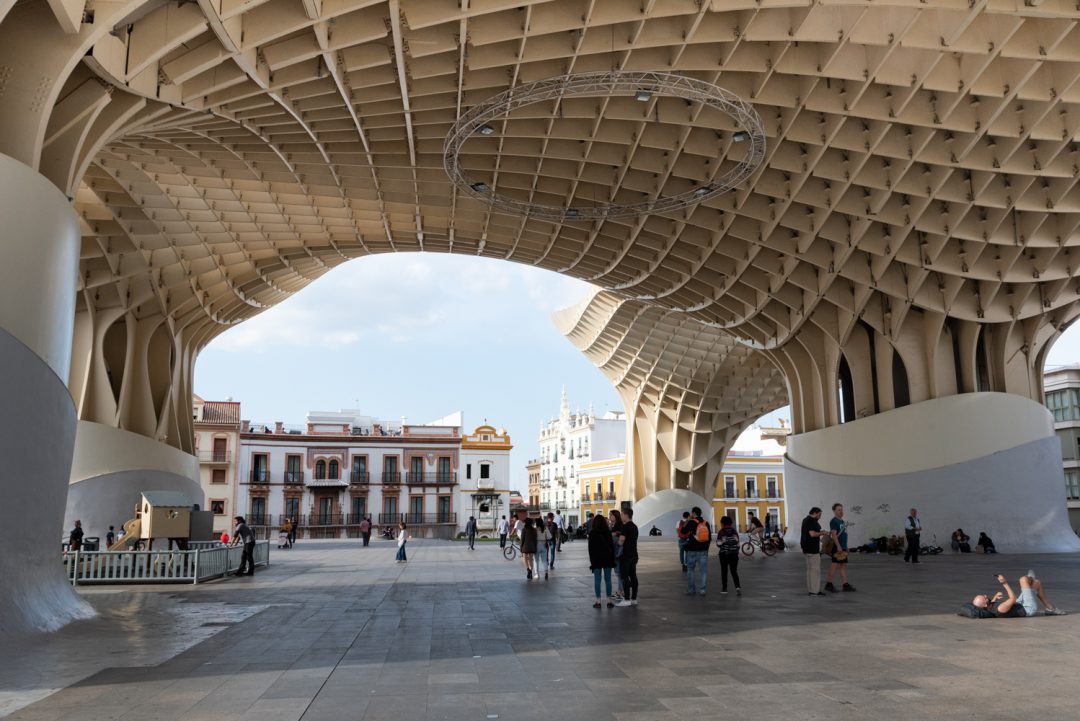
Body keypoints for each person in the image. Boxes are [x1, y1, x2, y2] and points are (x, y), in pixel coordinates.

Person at [963, 571, 1066, 618]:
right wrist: (1004, 583)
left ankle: (1051, 609)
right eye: (984, 597)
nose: (985, 595)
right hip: (1027, 608)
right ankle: (1029, 580)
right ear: (985, 605)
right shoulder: (1000, 609)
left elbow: (991, 604)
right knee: (1023, 579)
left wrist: (994, 597)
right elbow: (1013, 598)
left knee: (1037, 584)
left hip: (1019, 604)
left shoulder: (989, 607)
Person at [825, 503, 855, 592]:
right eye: (839, 510)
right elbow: (834, 535)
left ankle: (845, 585)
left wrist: (846, 547)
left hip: (842, 547)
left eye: (842, 509)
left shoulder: (842, 521)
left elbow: (843, 535)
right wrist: (838, 546)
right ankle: (829, 584)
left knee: (843, 565)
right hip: (837, 547)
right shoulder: (834, 521)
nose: (841, 511)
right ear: (834, 511)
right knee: (835, 565)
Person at [588, 513, 616, 608]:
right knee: (608, 580)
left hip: (596, 560)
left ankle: (598, 601)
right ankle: (609, 601)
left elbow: (590, 549)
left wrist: (592, 561)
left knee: (597, 580)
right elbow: (611, 547)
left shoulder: (592, 533)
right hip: (607, 559)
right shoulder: (608, 533)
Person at [682, 506, 711, 596]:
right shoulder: (706, 523)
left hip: (692, 550)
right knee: (703, 571)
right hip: (703, 550)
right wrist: (706, 548)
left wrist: (687, 520)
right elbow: (709, 538)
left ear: (694, 513)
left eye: (692, 513)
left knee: (690, 570)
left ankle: (691, 590)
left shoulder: (691, 522)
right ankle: (702, 590)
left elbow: (683, 531)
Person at [615, 508, 640, 607]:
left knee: (624, 577)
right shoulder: (634, 526)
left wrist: (616, 543)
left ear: (626, 515)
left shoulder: (625, 527)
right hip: (634, 554)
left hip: (626, 555)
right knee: (633, 576)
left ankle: (626, 599)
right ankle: (634, 598)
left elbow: (621, 541)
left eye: (621, 515)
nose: (621, 517)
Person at [800, 507, 826, 596]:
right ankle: (815, 591)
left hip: (806, 549)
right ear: (815, 513)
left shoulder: (805, 520)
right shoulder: (811, 521)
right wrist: (822, 533)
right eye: (819, 514)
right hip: (812, 549)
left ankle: (811, 590)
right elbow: (812, 534)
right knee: (815, 571)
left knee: (810, 571)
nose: (820, 516)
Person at [715, 515, 741, 595]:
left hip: (724, 554)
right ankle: (737, 587)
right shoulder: (734, 531)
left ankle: (724, 589)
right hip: (734, 554)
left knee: (724, 570)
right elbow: (738, 543)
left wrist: (723, 542)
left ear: (722, 523)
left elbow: (718, 544)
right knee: (734, 571)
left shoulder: (721, 531)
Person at [609, 509, 625, 599]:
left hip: (618, 552)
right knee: (618, 573)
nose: (610, 517)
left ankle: (621, 592)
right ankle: (620, 591)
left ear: (616, 516)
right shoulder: (613, 525)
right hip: (615, 552)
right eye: (609, 515)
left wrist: (614, 534)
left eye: (611, 515)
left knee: (619, 573)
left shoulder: (619, 526)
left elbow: (620, 538)